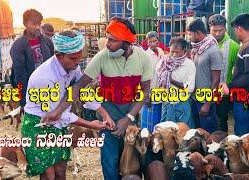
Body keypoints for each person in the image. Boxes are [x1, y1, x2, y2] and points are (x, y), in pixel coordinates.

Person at [41, 17, 153, 180]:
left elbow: (146, 90)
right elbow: (78, 86)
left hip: (131, 113)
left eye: (112, 40)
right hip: (107, 115)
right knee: (110, 160)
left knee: (130, 160)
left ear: (126, 42)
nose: (107, 43)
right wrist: (57, 111)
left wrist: (129, 118)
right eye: (107, 38)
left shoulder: (143, 57)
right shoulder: (102, 57)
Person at [22, 30, 114, 179]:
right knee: (48, 173)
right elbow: (58, 114)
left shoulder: (73, 67)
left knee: (61, 169)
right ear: (59, 56)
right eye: (73, 58)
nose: (77, 62)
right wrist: (91, 125)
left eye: (79, 57)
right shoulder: (44, 77)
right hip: (39, 124)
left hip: (59, 124)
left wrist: (105, 114)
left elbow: (82, 92)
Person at [10, 9, 54, 108]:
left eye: (39, 24)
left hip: (48, 89)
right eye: (34, 24)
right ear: (25, 24)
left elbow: (52, 65)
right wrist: (25, 102)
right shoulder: (18, 46)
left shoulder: (47, 41)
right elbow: (20, 75)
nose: (38, 27)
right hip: (30, 90)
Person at [187, 19, 223, 133]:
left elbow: (216, 80)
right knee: (196, 134)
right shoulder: (197, 48)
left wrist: (207, 104)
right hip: (195, 99)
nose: (189, 37)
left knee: (208, 134)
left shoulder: (213, 51)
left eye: (190, 34)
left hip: (205, 102)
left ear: (197, 33)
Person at [208, 14, 239, 132]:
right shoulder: (204, 44)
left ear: (225, 29)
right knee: (206, 120)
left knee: (221, 122)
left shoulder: (234, 46)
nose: (217, 33)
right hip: (205, 90)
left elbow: (238, 71)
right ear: (209, 28)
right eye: (214, 30)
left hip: (223, 93)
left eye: (220, 30)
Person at [158, 37, 196, 128]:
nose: (174, 55)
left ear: (184, 51)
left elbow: (190, 88)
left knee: (182, 132)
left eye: (177, 52)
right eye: (172, 52)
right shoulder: (164, 62)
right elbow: (158, 78)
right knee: (166, 135)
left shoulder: (189, 64)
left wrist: (172, 81)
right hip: (167, 103)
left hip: (181, 105)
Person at [141, 31, 164, 132]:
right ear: (147, 43)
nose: (153, 44)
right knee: (148, 121)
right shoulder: (145, 56)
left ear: (158, 41)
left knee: (159, 120)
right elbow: (143, 77)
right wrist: (146, 96)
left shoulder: (161, 52)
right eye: (150, 42)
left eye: (155, 41)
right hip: (150, 93)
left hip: (161, 91)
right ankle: (147, 144)